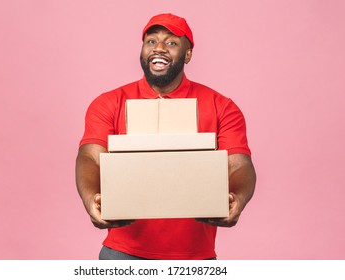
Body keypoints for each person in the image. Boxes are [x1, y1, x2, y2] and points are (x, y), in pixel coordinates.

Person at [75, 13, 256, 260]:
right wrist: (89, 200)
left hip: (195, 258)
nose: (158, 48)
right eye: (151, 41)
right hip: (123, 254)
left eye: (171, 43)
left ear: (188, 54)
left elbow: (239, 164)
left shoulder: (221, 106)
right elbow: (90, 157)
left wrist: (239, 199)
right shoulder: (109, 103)